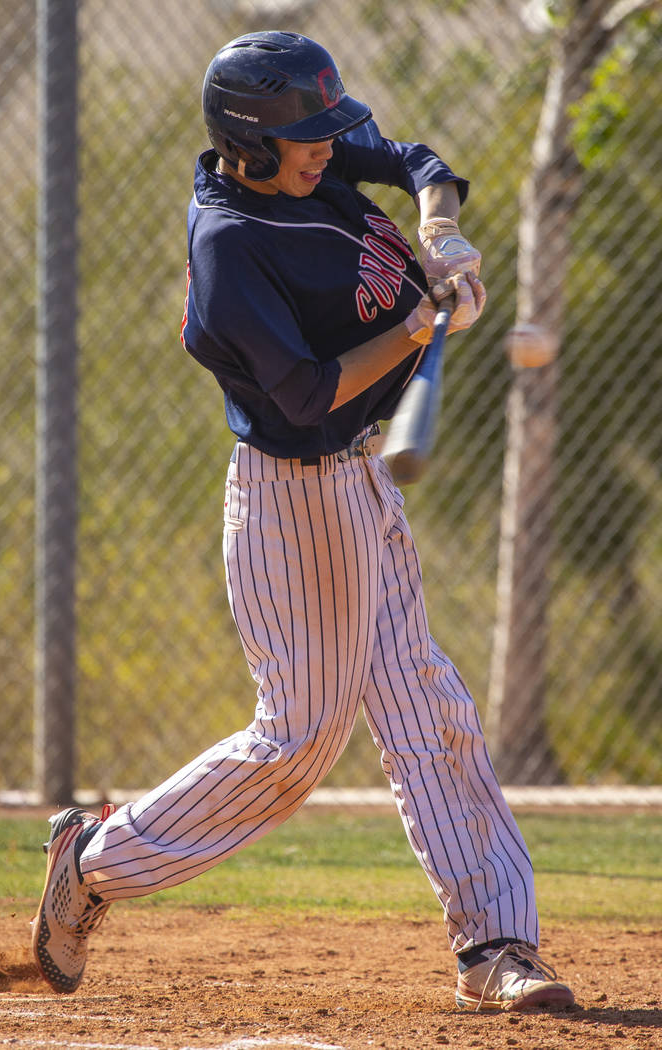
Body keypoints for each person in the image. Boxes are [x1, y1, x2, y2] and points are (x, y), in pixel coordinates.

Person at [31, 30, 574, 1013]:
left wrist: (439, 233)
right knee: (299, 742)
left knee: (425, 707)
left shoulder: (308, 163)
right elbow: (312, 396)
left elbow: (414, 163)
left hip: (363, 482)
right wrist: (414, 328)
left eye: (326, 130)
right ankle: (95, 859)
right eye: (305, 136)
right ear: (247, 143)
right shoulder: (232, 245)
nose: (326, 146)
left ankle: (495, 941)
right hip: (300, 494)